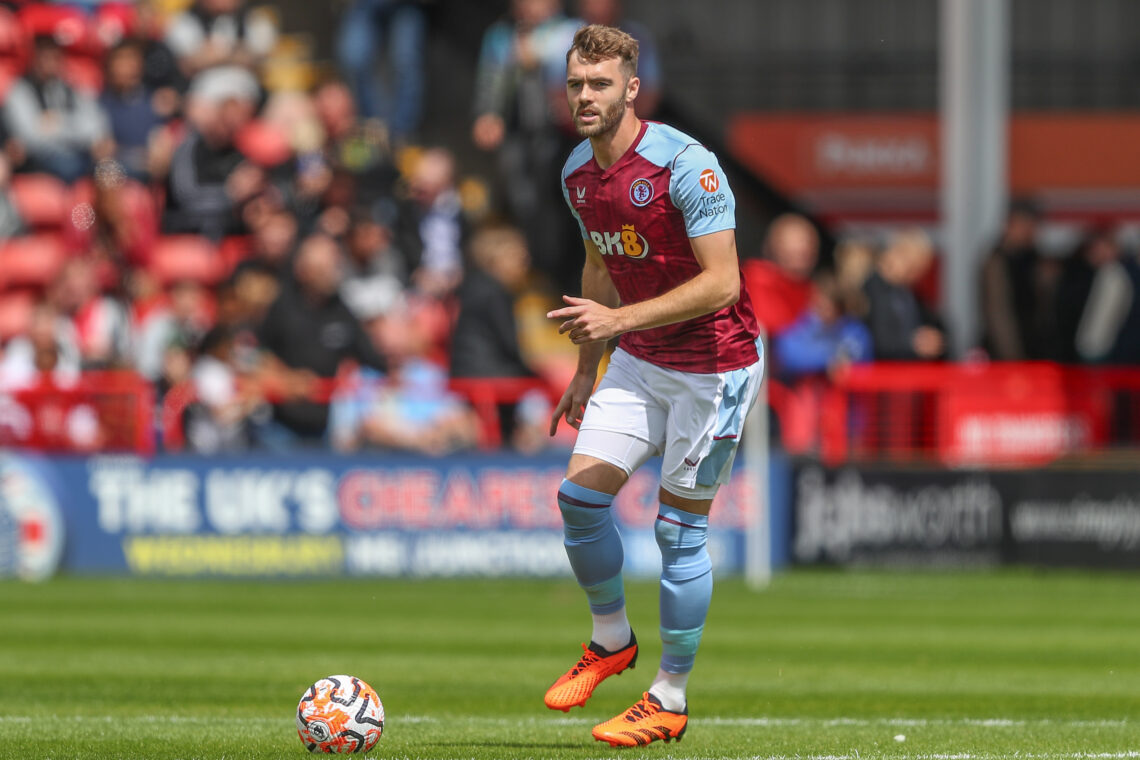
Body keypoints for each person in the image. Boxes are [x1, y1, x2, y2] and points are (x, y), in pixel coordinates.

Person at [543, 24, 764, 748]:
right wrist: (585, 367)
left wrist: (617, 321)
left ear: (631, 89)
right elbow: (600, 263)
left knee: (678, 532)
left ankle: (668, 695)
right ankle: (611, 642)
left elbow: (723, 283)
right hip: (637, 358)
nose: (584, 95)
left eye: (599, 83)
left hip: (713, 366)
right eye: (576, 82)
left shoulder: (686, 166)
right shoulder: (578, 170)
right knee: (578, 499)